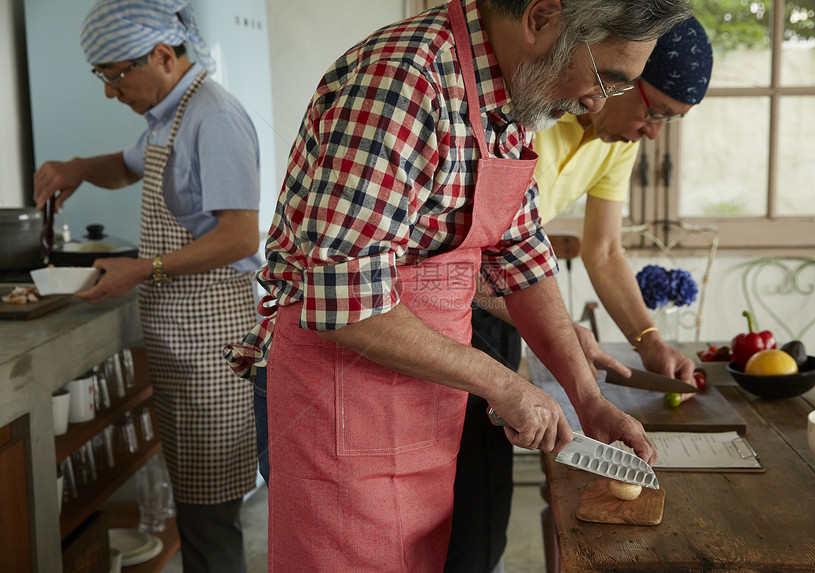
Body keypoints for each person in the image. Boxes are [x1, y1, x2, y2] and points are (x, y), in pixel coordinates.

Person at [224, 0, 691, 570]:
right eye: (605, 78)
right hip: (340, 409)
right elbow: (346, 295)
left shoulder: (512, 99)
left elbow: (521, 257)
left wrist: (587, 398)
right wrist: (506, 385)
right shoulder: (402, 80)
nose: (595, 102)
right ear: (541, 18)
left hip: (421, 407)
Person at [446, 15, 713, 573]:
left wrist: (648, 342)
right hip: (441, 309)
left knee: (484, 502)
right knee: (454, 505)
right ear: (618, 71)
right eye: (654, 110)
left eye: (671, 121)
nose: (654, 131)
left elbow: (604, 251)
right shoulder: (539, 108)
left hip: (497, 313)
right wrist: (559, 329)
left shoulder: (617, 140)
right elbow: (449, 261)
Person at [32, 2, 261, 571]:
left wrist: (143, 268)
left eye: (115, 75)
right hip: (181, 338)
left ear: (162, 55)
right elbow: (128, 166)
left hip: (214, 341)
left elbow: (239, 236)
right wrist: (80, 166)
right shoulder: (169, 113)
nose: (111, 92)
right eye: (102, 77)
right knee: (197, 506)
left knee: (211, 518)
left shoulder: (215, 116)